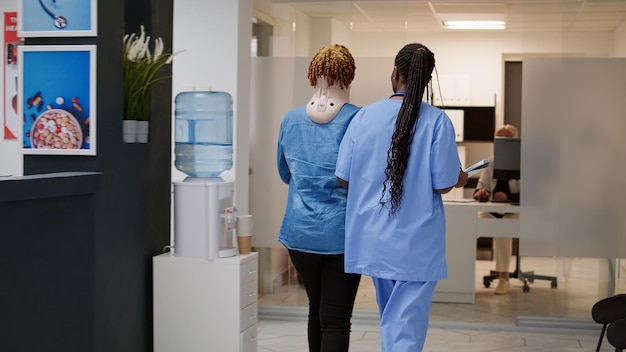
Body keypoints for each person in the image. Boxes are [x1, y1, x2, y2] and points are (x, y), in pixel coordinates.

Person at [335, 43, 468, 352]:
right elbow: (444, 183)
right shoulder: (436, 121)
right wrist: (460, 177)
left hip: (375, 240)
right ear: (426, 79)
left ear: (395, 73)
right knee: (405, 330)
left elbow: (343, 177)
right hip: (416, 245)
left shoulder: (364, 117)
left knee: (393, 322)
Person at [276, 44, 362, 352]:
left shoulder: (291, 119)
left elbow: (285, 173)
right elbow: (361, 179)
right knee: (336, 319)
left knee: (318, 309)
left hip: (300, 234)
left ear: (312, 76)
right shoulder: (358, 119)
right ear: (349, 76)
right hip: (342, 236)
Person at [473, 124, 520, 295]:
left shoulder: (523, 163)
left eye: (507, 140)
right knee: (469, 227)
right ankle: (462, 274)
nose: (503, 144)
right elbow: (479, 188)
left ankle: (503, 277)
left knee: (503, 230)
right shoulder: (491, 163)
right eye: (499, 140)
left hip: (514, 213)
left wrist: (508, 197)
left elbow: (531, 194)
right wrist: (481, 193)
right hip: (491, 211)